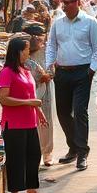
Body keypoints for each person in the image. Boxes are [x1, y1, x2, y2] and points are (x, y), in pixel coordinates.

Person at [46, 0, 97, 171]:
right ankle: (73, 147)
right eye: (62, 2)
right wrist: (50, 65)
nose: (63, 6)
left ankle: (82, 152)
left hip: (82, 72)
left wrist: (91, 70)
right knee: (63, 112)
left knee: (80, 111)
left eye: (67, 3)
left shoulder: (90, 22)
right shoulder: (57, 23)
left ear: (77, 2)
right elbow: (51, 45)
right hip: (62, 72)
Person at [0, 36, 47, 193]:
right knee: (16, 159)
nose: (28, 53)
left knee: (34, 155)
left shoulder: (25, 71)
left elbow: (31, 95)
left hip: (30, 121)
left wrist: (38, 111)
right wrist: (29, 103)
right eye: (26, 50)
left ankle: (31, 189)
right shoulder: (6, 72)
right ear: (17, 51)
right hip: (14, 123)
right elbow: (4, 99)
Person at [25, 32, 55, 168]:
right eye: (34, 36)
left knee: (46, 122)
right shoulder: (23, 53)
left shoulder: (47, 52)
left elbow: (51, 71)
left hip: (44, 92)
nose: (36, 39)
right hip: (27, 94)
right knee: (31, 124)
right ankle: (32, 155)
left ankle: (47, 154)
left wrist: (46, 76)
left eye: (39, 36)